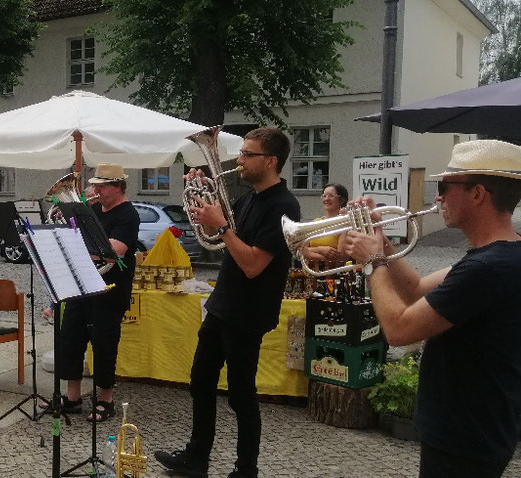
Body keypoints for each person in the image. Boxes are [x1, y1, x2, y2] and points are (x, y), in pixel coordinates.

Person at [340, 139, 521, 478]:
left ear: (478, 193)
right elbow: (417, 292)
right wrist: (383, 240)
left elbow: (398, 330)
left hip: (465, 436)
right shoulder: (500, 257)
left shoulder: (488, 268)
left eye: (444, 187)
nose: (437, 198)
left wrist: (373, 261)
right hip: (476, 429)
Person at [155, 128, 300, 478]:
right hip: (224, 304)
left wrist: (222, 227)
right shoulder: (248, 198)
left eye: (248, 154)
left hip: (248, 312)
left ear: (271, 161)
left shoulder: (284, 206)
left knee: (241, 394)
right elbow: (215, 241)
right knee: (200, 381)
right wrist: (201, 203)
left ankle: (245, 469)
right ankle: (196, 458)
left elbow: (252, 264)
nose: (240, 160)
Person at [47, 163, 139, 422]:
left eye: (101, 186)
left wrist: (81, 243)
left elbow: (115, 250)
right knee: (71, 339)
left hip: (109, 288)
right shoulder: (94, 209)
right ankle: (72, 397)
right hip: (82, 285)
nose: (95, 190)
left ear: (118, 186)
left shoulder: (128, 214)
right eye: (95, 185)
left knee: (104, 345)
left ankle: (105, 399)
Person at [301, 183, 349, 267]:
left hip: (333, 276)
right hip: (310, 274)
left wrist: (309, 254)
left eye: (331, 196)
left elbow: (341, 258)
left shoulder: (345, 224)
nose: (326, 199)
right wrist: (321, 250)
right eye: (324, 196)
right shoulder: (315, 222)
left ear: (341, 200)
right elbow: (302, 250)